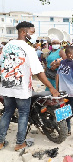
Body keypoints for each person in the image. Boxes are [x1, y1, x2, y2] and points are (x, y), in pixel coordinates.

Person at [0, 21, 59, 151]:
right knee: (23, 114)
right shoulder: (28, 49)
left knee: (7, 112)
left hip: (7, 87)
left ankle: (0, 141)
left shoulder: (7, 46)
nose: (33, 36)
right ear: (23, 32)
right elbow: (39, 72)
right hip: (21, 89)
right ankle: (20, 143)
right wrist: (51, 87)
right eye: (32, 32)